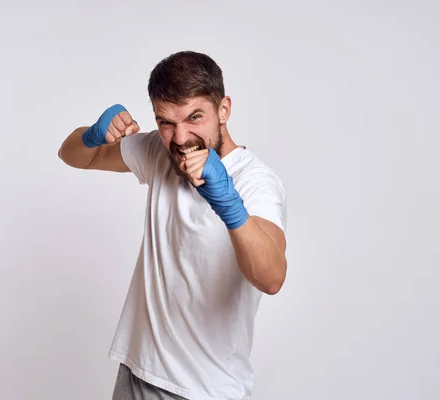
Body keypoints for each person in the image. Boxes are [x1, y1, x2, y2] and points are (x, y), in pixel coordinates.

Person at [58, 51, 287, 400]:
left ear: (223, 109)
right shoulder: (158, 151)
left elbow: (272, 277)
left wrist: (228, 202)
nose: (181, 138)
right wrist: (91, 135)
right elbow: (72, 156)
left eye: (195, 117)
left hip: (201, 390)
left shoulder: (255, 181)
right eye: (166, 122)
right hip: (137, 373)